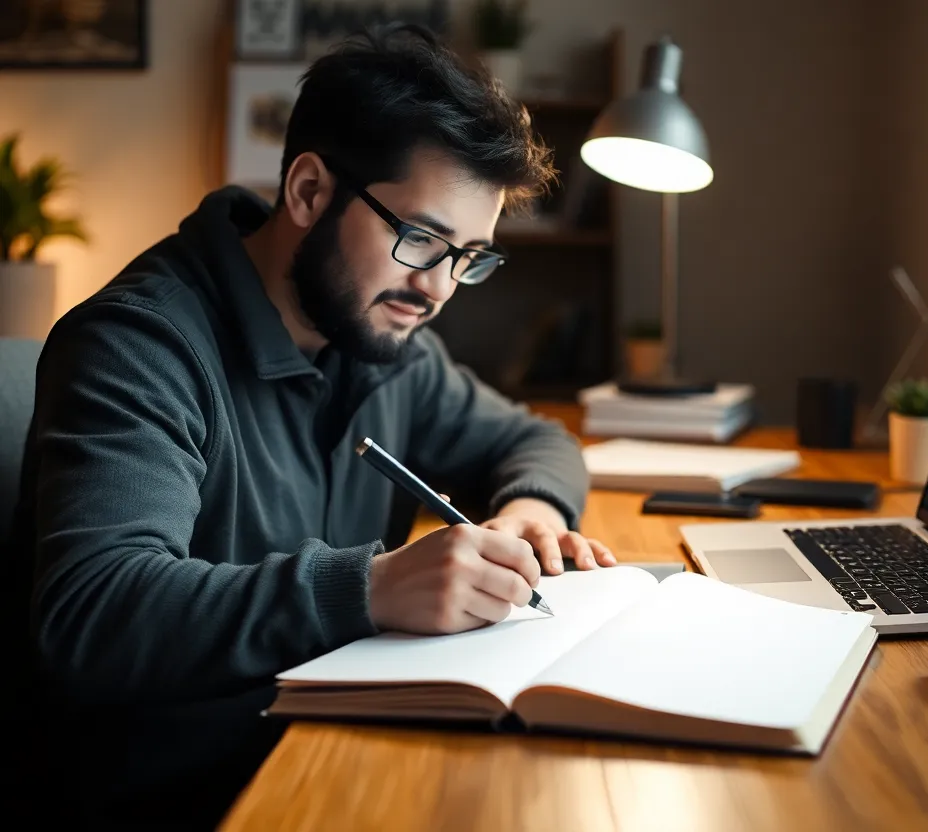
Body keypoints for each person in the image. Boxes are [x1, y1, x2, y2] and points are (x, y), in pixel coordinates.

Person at [9, 24, 614, 828]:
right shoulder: (139, 346)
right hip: (184, 795)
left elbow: (537, 441)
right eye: (422, 239)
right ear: (307, 191)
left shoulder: (380, 337)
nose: (438, 288)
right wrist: (372, 587)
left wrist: (530, 516)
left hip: (332, 746)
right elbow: (97, 608)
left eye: (470, 256)